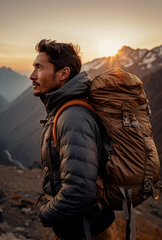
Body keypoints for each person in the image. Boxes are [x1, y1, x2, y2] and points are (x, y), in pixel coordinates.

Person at [30, 39, 116, 240]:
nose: (32, 76)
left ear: (63, 74)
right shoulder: (66, 110)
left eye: (39, 68)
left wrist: (46, 213)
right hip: (81, 229)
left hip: (86, 232)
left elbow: (79, 190)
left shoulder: (73, 118)